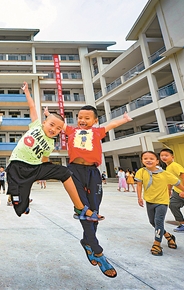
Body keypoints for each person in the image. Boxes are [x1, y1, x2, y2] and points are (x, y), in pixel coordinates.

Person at [6, 82, 96, 222]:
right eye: (51, 125)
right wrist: (27, 92)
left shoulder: (50, 143)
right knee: (20, 208)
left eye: (58, 129)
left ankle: (79, 208)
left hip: (35, 168)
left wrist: (47, 172)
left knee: (64, 172)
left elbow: (44, 160)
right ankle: (21, 201)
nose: (54, 129)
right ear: (44, 123)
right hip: (17, 166)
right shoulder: (36, 125)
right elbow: (32, 106)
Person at [64, 104, 132, 278]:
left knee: (94, 211)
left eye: (87, 118)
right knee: (84, 210)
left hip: (93, 172)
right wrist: (48, 115)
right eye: (80, 117)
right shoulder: (71, 130)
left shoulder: (97, 132)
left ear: (95, 121)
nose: (82, 120)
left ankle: (86, 242)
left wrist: (124, 120)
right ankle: (98, 251)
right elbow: (58, 124)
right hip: (74, 171)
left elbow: (111, 126)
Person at [135, 151, 184, 256]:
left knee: (159, 221)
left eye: (151, 159)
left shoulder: (165, 174)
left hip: (162, 202)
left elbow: (179, 185)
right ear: (142, 161)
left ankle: (157, 244)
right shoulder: (141, 172)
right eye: (145, 158)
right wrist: (139, 197)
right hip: (149, 201)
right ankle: (168, 236)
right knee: (153, 222)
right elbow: (139, 185)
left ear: (157, 161)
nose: (148, 160)